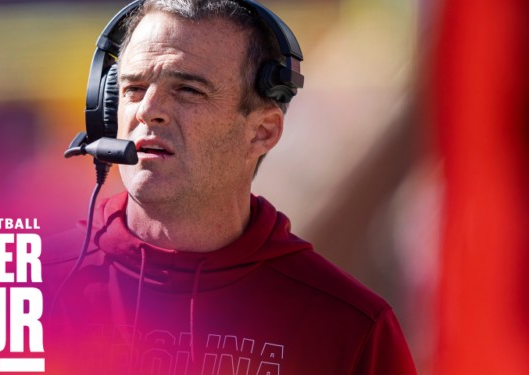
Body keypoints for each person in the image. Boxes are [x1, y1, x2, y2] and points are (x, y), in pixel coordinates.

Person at [43, 1, 417, 374]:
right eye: (134, 88)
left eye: (188, 90)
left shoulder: (352, 328)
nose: (148, 110)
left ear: (262, 132)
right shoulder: (23, 295)